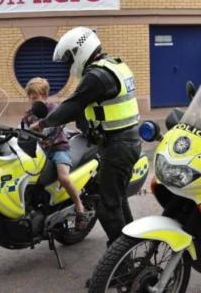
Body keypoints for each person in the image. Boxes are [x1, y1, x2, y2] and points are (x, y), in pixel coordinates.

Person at [30, 27, 142, 247]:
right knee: (117, 200)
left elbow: (73, 105)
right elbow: (93, 108)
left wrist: (42, 124)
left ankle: (121, 262)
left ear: (80, 50)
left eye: (70, 57)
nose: (69, 63)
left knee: (107, 206)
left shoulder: (97, 76)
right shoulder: (115, 66)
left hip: (118, 147)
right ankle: (130, 250)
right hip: (122, 142)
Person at [22, 77, 91, 230]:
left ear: (45, 96)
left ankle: (80, 208)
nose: (32, 101)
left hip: (58, 149)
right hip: (40, 152)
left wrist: (39, 127)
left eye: (36, 98)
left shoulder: (54, 109)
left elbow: (52, 127)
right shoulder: (29, 114)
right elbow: (23, 128)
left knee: (63, 177)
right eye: (30, 98)